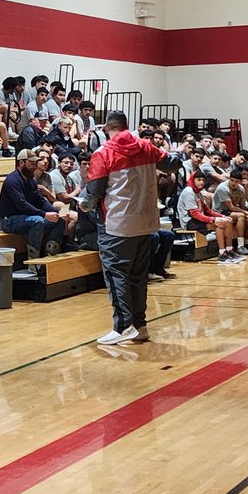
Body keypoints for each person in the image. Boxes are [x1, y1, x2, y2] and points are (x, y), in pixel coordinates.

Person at [80, 111, 182, 347]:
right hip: (146, 222)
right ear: (128, 126)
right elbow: (173, 163)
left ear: (107, 128)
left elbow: (93, 192)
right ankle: (140, 325)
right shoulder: (147, 147)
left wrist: (84, 205)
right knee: (138, 277)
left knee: (117, 277)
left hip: (116, 224)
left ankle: (123, 327)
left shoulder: (103, 153)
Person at [0, 148, 63, 260]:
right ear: (21, 163)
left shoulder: (30, 180)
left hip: (26, 217)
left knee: (59, 219)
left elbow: (40, 200)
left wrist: (55, 212)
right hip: (9, 220)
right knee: (38, 221)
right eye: (31, 163)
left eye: (34, 163)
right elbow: (22, 205)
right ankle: (33, 259)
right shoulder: (12, 181)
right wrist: (45, 215)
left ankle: (51, 251)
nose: (34, 166)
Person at [177, 170, 241, 264]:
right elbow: (194, 213)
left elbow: (207, 210)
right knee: (220, 224)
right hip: (189, 222)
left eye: (203, 180)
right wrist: (213, 220)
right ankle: (222, 253)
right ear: (193, 180)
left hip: (198, 219)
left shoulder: (198, 192)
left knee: (226, 221)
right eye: (198, 180)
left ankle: (229, 250)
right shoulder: (189, 192)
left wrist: (223, 216)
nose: (201, 182)